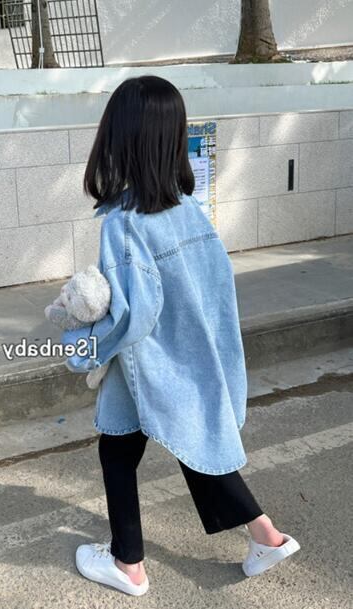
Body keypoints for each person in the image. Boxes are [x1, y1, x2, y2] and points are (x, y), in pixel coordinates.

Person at [61, 75, 300, 597]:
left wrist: (82, 350)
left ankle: (128, 565)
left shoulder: (125, 222)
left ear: (119, 138)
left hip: (147, 363)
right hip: (183, 359)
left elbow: (132, 315)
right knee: (185, 443)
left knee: (123, 454)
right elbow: (216, 289)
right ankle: (266, 537)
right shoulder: (189, 209)